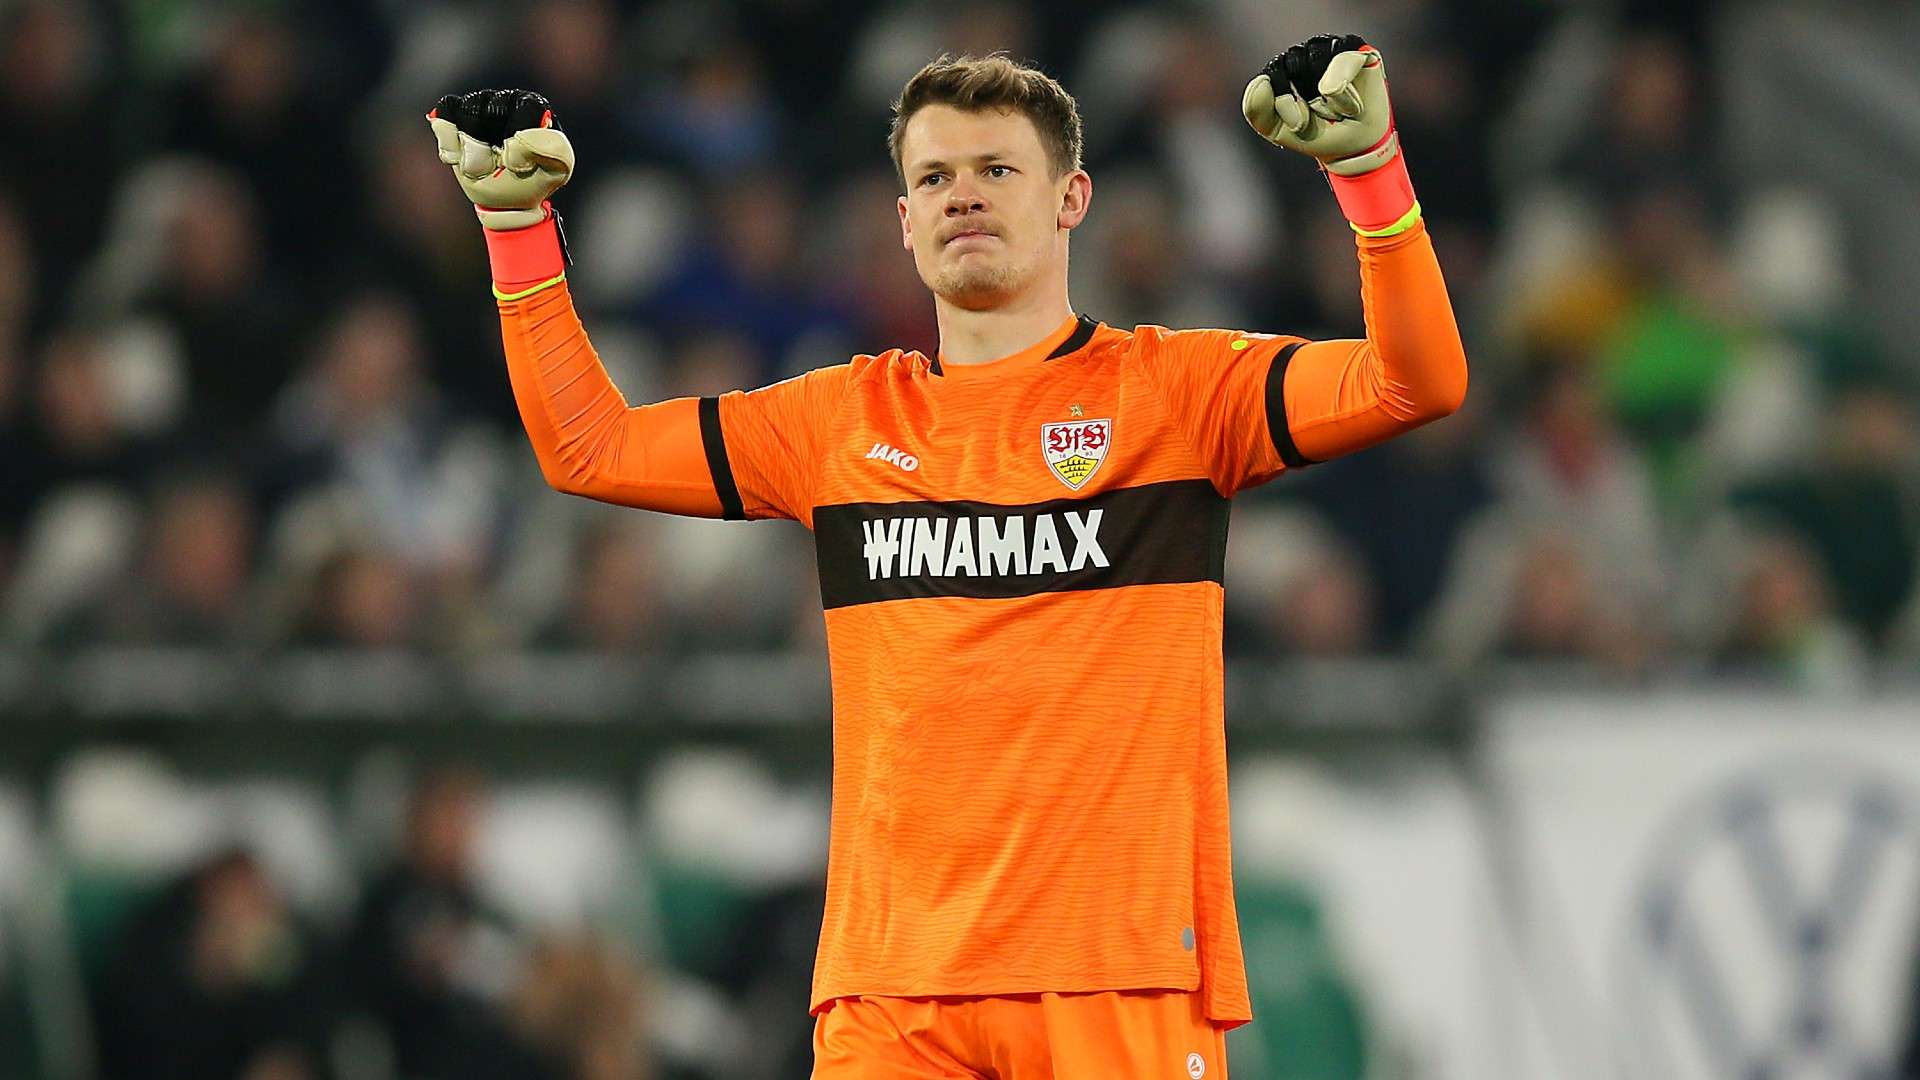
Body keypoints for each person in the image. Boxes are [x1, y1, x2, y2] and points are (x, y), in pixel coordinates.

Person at [427, 33, 1466, 1077]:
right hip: (893, 993)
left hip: (1115, 979)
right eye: (934, 176)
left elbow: (1415, 380)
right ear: (905, 222)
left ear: (1071, 199)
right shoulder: (835, 424)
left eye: (997, 169)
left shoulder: (1178, 396)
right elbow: (589, 447)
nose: (962, 195)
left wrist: (1369, 172)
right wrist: (518, 227)